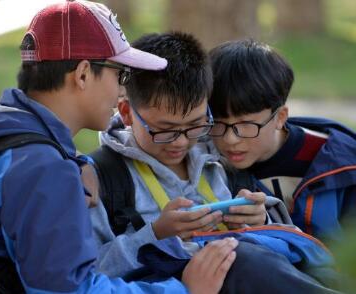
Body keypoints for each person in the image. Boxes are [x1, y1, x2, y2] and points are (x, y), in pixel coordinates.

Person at [0, 1, 238, 293]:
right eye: (120, 74)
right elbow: (71, 289)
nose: (121, 91)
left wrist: (72, 160)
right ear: (84, 74)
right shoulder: (44, 168)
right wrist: (184, 289)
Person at [89, 32, 340, 293]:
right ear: (128, 112)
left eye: (196, 125)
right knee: (243, 261)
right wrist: (154, 234)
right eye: (165, 130)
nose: (181, 142)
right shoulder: (101, 177)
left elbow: (290, 241)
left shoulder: (220, 156)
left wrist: (260, 219)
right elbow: (85, 274)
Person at [207, 38, 356, 243]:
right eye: (217, 123)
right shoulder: (203, 164)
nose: (230, 139)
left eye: (246, 124)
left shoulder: (343, 165)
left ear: (280, 117)